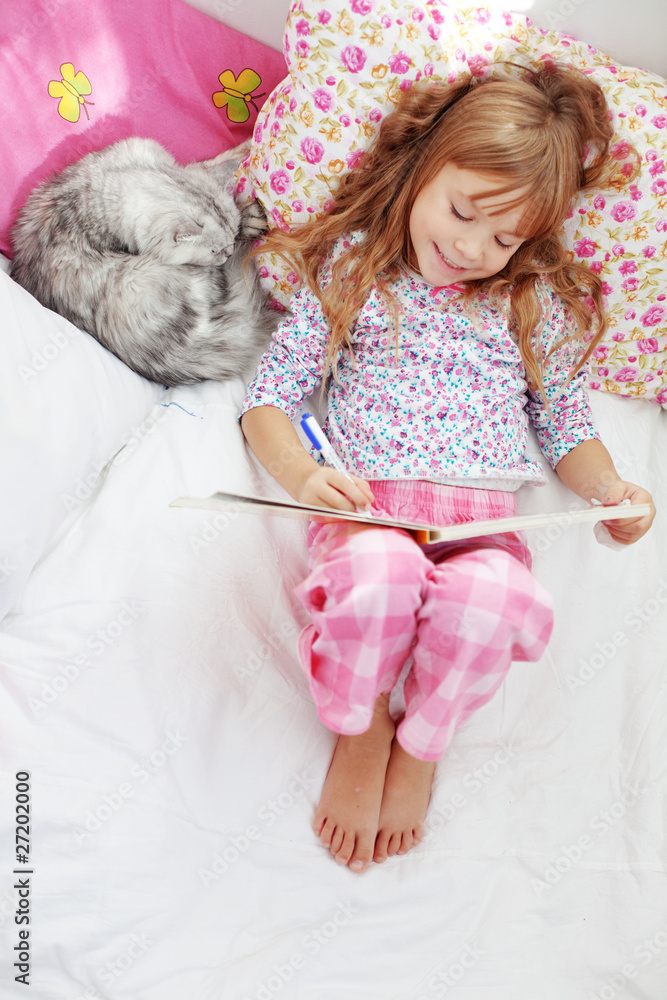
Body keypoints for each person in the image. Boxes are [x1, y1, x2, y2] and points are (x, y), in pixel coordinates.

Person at [239, 65, 655, 875]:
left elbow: (565, 426)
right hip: (372, 511)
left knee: (494, 601)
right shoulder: (356, 269)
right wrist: (299, 474)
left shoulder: (530, 304)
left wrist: (608, 491)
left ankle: (423, 736)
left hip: (484, 530)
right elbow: (269, 397)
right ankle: (362, 729)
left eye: (503, 239)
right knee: (378, 572)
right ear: (423, 167)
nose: (470, 249)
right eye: (461, 212)